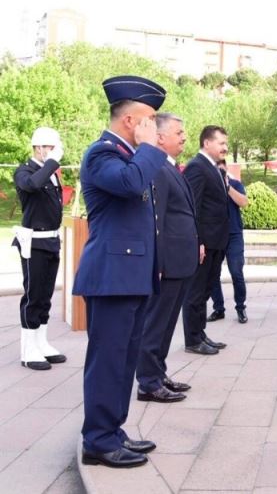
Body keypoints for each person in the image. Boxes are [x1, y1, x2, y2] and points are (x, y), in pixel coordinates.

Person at [73, 75, 168, 468]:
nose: (155, 128)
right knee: (108, 362)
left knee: (124, 361)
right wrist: (148, 149)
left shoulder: (130, 156)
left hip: (130, 277)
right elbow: (130, 185)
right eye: (150, 120)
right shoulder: (103, 154)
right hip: (111, 277)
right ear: (130, 120)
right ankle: (97, 440)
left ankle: (113, 430)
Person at [135, 113, 198, 404]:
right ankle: (148, 382)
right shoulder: (158, 168)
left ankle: (158, 374)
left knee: (167, 324)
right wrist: (157, 262)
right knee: (156, 324)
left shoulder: (169, 166)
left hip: (180, 260)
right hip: (168, 262)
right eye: (178, 132)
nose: (184, 137)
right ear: (159, 137)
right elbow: (156, 219)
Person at [13, 127, 67, 371]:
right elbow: (32, 185)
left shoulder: (50, 173)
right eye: (50, 148)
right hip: (33, 242)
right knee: (33, 295)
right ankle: (28, 350)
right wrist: (52, 162)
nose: (54, 153)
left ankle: (41, 342)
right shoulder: (25, 171)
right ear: (39, 147)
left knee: (45, 296)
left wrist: (51, 165)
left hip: (51, 241)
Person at [181, 126, 230, 355]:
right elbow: (193, 207)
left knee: (206, 289)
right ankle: (192, 339)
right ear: (207, 143)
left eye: (225, 143)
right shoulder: (197, 167)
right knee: (196, 292)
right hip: (205, 242)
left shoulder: (214, 168)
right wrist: (198, 240)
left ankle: (200, 334)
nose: (225, 148)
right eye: (221, 143)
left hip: (217, 241)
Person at [209, 159, 249, 324]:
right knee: (213, 274)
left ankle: (240, 307)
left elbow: (244, 202)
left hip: (234, 235)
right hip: (215, 235)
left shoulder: (235, 184)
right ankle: (218, 308)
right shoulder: (209, 187)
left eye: (221, 170)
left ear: (226, 169)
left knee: (236, 272)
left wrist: (227, 187)